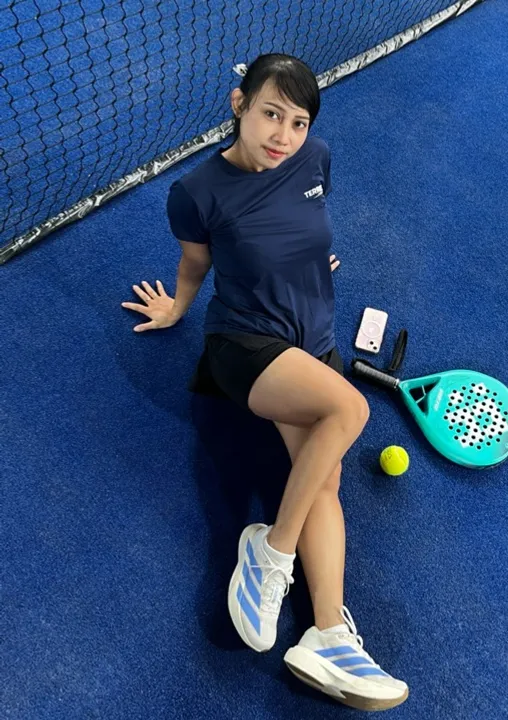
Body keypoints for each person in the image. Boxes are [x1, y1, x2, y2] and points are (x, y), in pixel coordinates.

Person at [121, 53, 408, 711]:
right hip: (244, 344)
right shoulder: (196, 193)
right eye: (271, 114)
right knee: (349, 411)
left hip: (314, 340)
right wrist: (176, 308)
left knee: (324, 478)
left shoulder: (315, 160)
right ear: (239, 105)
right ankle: (270, 553)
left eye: (298, 122)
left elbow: (304, 227)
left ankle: (328, 634)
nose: (284, 135)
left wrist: (303, 260)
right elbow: (195, 264)